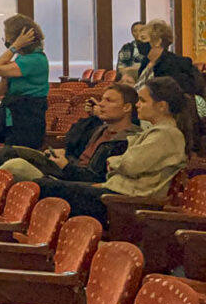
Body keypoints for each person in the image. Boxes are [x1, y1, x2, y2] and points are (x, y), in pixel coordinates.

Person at [35, 77, 189, 223]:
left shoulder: (166, 133)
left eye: (143, 100)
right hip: (114, 194)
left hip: (123, 203)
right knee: (44, 184)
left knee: (42, 187)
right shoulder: (159, 131)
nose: (137, 105)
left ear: (162, 106)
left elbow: (130, 164)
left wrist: (113, 161)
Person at [0, 84, 140, 182]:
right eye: (102, 99)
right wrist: (63, 154)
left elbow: (97, 178)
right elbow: (74, 144)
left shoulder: (128, 140)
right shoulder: (100, 129)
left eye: (108, 101)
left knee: (15, 166)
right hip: (68, 168)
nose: (101, 104)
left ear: (127, 107)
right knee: (9, 152)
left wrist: (66, 166)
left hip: (74, 180)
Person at [0, 14, 50, 154]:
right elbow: (2, 89)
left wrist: (14, 47)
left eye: (9, 40)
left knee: (18, 158)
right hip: (15, 114)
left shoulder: (34, 60)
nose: (7, 43)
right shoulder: (22, 59)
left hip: (27, 117)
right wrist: (5, 73)